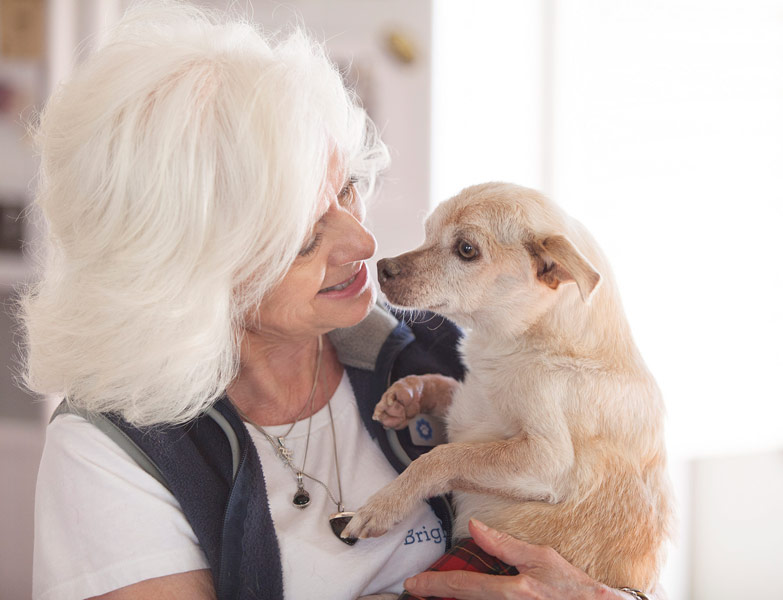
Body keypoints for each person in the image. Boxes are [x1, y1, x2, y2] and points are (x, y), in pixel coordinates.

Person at [21, 3, 663, 599]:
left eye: (348, 189)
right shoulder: (114, 455)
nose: (363, 240)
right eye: (304, 236)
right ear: (185, 269)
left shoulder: (437, 350)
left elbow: (613, 539)